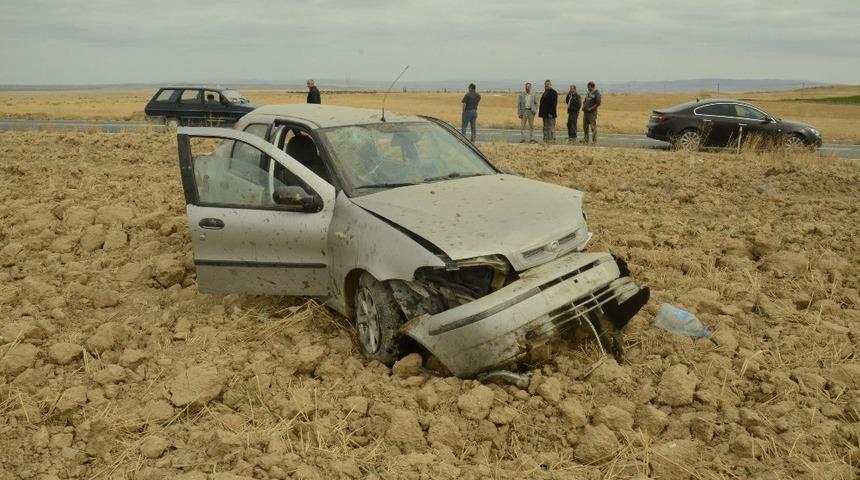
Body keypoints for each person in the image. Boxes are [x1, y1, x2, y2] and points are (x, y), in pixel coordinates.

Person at [538, 80, 558, 144]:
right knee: (545, 127)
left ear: (550, 85)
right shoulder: (545, 92)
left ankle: (552, 139)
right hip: (544, 114)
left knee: (551, 127)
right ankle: (546, 139)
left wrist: (551, 113)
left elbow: (553, 104)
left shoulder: (553, 92)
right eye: (545, 84)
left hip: (550, 114)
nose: (546, 85)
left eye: (548, 84)